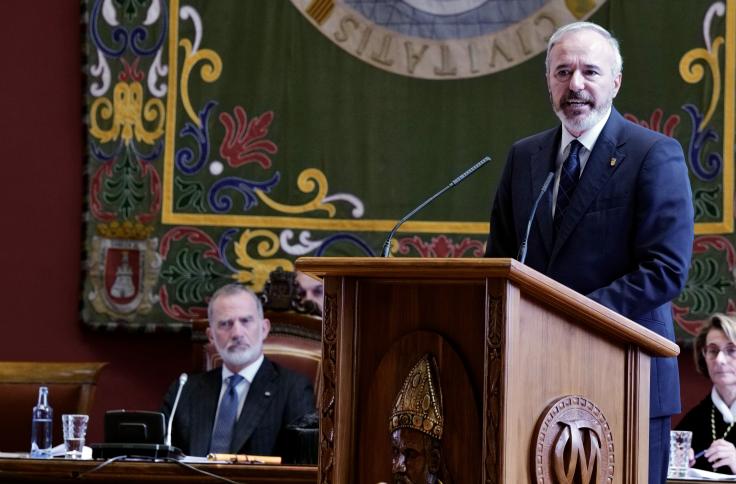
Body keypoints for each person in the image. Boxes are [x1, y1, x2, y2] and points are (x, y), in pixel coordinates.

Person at [485, 21, 694, 484]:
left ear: (615, 82)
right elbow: (497, 261)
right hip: (533, 382)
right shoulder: (525, 157)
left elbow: (665, 270)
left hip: (628, 377)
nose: (575, 84)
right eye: (563, 72)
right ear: (548, 82)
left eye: (590, 72)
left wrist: (570, 318)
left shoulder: (653, 154)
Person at [161, 283, 315, 457]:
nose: (236, 333)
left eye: (245, 321)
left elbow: (303, 463)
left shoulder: (293, 389)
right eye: (225, 324)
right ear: (211, 336)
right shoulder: (184, 390)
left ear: (264, 329)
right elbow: (159, 458)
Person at [676, 314, 736, 474]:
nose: (719, 359)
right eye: (713, 350)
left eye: (731, 350)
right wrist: (677, 466)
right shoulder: (694, 420)